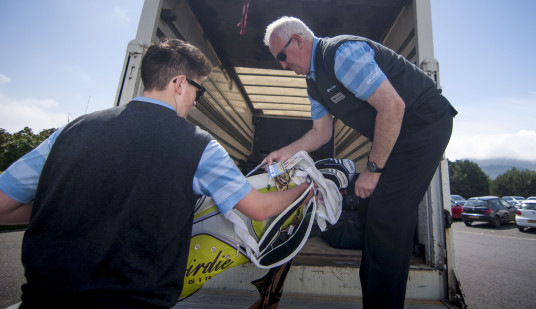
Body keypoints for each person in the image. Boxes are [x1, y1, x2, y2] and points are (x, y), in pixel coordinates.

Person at [0, 38, 311, 309]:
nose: (193, 101)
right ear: (179, 84)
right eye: (197, 92)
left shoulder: (71, 130)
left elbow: (4, 205)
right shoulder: (198, 145)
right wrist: (304, 189)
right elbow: (258, 209)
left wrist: (70, 207)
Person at [263, 16, 457, 308]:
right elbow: (321, 133)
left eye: (282, 56)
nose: (282, 64)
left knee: (386, 218)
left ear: (299, 41)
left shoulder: (340, 54)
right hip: (399, 135)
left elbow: (392, 106)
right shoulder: (313, 82)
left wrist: (373, 169)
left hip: (424, 127)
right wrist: (286, 152)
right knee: (369, 213)